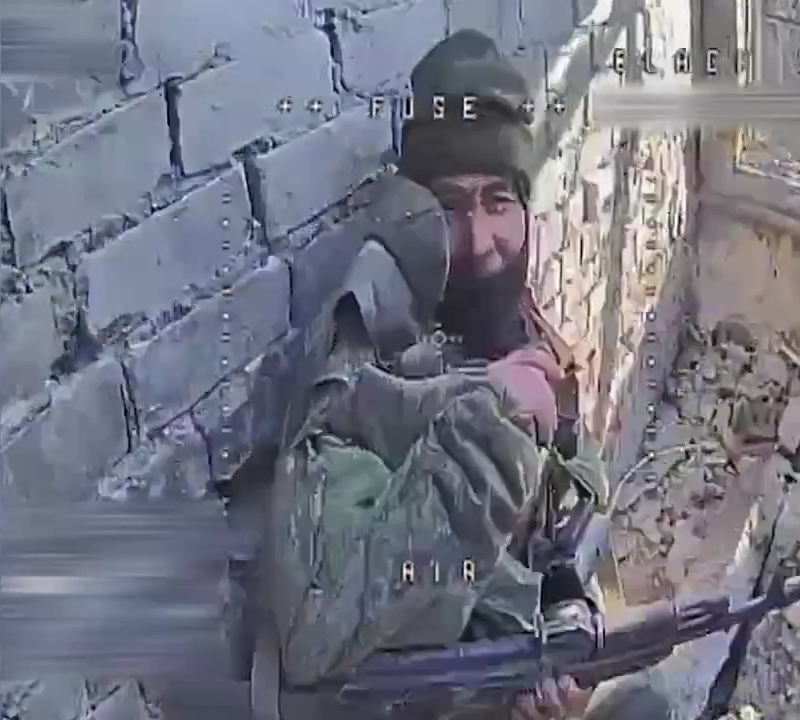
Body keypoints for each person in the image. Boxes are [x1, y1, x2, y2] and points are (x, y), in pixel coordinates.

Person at [258, 30, 603, 720]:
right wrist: (492, 425)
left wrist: (568, 628)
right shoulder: (365, 365)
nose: (478, 242)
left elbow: (568, 520)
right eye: (449, 207)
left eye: (498, 202)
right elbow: (318, 628)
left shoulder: (519, 324)